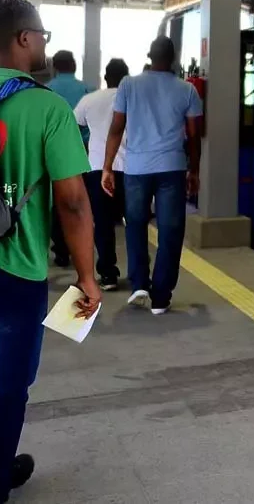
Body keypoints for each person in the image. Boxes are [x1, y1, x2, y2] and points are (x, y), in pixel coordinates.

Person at [0, 0, 100, 502]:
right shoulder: (47, 107)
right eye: (41, 35)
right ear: (23, 39)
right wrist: (87, 276)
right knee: (4, 389)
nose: (42, 44)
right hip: (10, 274)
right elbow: (74, 204)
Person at [102, 36, 202, 315]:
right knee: (170, 230)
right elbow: (194, 138)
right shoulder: (188, 90)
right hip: (172, 168)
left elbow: (116, 128)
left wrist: (108, 166)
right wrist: (194, 171)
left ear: (148, 55)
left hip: (136, 168)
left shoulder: (128, 85)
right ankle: (160, 297)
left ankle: (139, 285)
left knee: (135, 224)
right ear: (173, 59)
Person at [75, 59, 130, 291]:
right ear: (126, 79)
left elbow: (73, 126)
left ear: (105, 77)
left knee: (103, 223)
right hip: (131, 168)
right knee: (134, 223)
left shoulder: (90, 99)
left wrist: (84, 149)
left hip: (97, 167)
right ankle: (140, 275)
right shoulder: (133, 99)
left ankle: (108, 274)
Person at [46, 49, 90, 267]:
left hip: (54, 152)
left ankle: (61, 249)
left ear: (55, 66)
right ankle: (80, 248)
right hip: (83, 150)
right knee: (80, 201)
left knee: (57, 202)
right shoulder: (86, 89)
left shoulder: (46, 90)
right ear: (74, 66)